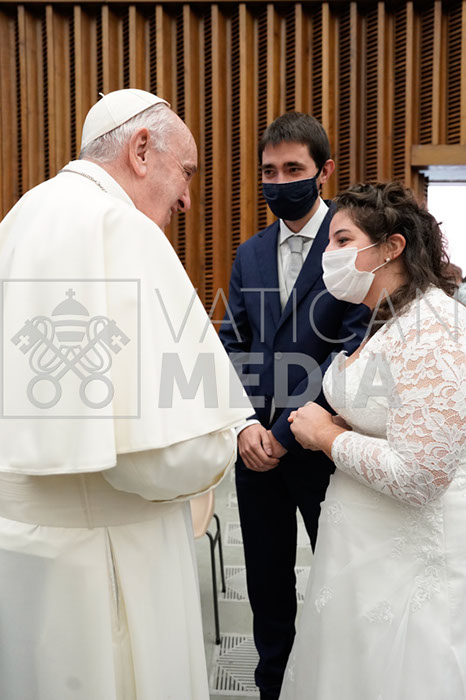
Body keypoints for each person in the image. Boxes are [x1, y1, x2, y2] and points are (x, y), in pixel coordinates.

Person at [0, 89, 252, 700]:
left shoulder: (19, 218)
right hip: (108, 557)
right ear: (141, 150)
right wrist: (223, 440)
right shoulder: (122, 229)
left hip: (19, 545)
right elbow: (162, 458)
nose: (187, 199)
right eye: (186, 171)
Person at [280, 182, 466, 700]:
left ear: (392, 247)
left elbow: (421, 475)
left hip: (406, 563)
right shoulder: (389, 317)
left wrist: (326, 437)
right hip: (362, 553)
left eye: (342, 240)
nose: (329, 254)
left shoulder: (435, 330)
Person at [219, 112, 369, 700]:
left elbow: (350, 350)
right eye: (269, 171)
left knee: (341, 582)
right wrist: (244, 426)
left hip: (324, 448)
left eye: (292, 169)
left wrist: (285, 433)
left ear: (323, 171)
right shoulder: (251, 252)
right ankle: (272, 688)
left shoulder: (350, 244)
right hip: (255, 453)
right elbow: (233, 344)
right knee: (267, 587)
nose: (279, 182)